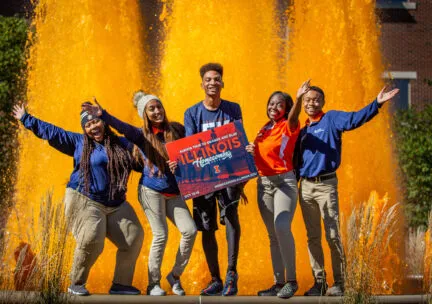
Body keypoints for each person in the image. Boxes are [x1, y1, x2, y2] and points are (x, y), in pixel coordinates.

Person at [12, 102, 144, 296]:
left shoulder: (122, 144)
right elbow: (52, 132)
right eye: (88, 125)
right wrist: (26, 118)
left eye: (96, 122)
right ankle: (76, 283)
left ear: (104, 122)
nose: (93, 127)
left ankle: (121, 284)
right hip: (85, 198)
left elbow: (142, 161)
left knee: (134, 237)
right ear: (84, 129)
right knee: (92, 237)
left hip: (115, 203)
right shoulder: (78, 143)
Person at [82, 92, 197, 296]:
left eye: (158, 107)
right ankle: (153, 283)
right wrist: (104, 115)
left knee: (190, 231)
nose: (156, 111)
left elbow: (195, 149)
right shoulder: (141, 135)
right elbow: (123, 128)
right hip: (151, 190)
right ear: (144, 113)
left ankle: (175, 276)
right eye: (151, 109)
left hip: (174, 191)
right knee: (161, 234)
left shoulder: (177, 129)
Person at [295, 85, 399, 296]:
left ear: (323, 102)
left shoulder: (331, 119)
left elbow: (354, 119)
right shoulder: (302, 129)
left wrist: (376, 104)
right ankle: (320, 282)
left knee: (333, 235)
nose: (311, 103)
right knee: (312, 237)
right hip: (305, 187)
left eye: (315, 100)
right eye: (307, 100)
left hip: (326, 185)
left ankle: (341, 283)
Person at [181, 62, 244, 296]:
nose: (212, 83)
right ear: (202, 84)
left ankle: (231, 273)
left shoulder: (233, 109)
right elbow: (191, 146)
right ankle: (215, 278)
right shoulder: (192, 113)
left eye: (216, 79)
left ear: (222, 83)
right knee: (206, 228)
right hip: (203, 177)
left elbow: (236, 140)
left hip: (228, 175)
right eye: (208, 79)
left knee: (230, 218)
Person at [245, 80, 309, 299]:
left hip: (284, 183)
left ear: (286, 107)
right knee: (273, 235)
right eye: (271, 103)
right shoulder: (263, 129)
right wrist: (251, 151)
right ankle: (278, 282)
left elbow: (293, 116)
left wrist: (299, 98)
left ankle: (292, 281)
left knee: (281, 226)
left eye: (279, 104)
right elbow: (261, 159)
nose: (274, 107)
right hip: (263, 185)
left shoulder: (288, 125)